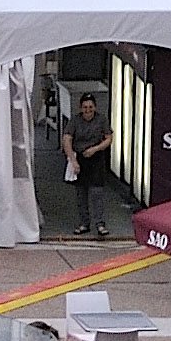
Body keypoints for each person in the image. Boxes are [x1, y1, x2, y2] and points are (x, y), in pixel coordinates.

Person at [64, 93, 117, 238]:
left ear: (95, 107)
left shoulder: (101, 120)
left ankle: (100, 224)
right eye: (85, 107)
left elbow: (108, 138)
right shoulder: (75, 121)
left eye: (90, 107)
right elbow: (67, 139)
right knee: (81, 193)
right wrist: (72, 160)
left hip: (96, 158)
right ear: (81, 108)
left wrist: (96, 149)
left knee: (97, 193)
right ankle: (84, 223)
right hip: (80, 158)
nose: (88, 110)